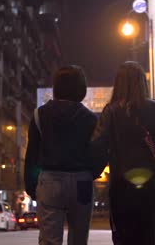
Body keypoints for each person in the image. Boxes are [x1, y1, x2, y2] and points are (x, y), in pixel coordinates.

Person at [91, 61, 155, 245]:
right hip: (152, 187)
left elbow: (97, 146)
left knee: (124, 239)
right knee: (150, 239)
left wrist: (93, 172)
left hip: (122, 189)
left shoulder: (111, 111)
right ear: (142, 83)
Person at [24, 65, 98, 245]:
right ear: (81, 89)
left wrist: (31, 186)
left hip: (50, 181)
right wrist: (92, 173)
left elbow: (32, 154)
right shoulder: (91, 118)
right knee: (79, 239)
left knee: (50, 241)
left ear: (56, 87)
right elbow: (98, 152)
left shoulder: (39, 115)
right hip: (83, 182)